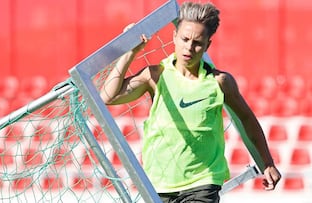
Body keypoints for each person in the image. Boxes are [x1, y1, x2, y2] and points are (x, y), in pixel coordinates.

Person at [100, 1, 281, 202]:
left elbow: (247, 119)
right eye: (185, 39)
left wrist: (268, 163)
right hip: (159, 184)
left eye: (197, 43)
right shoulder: (155, 75)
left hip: (203, 183)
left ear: (207, 45)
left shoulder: (220, 82)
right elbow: (108, 97)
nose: (189, 47)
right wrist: (130, 52)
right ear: (174, 37)